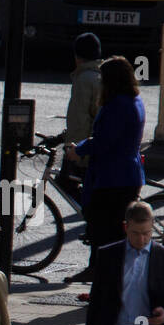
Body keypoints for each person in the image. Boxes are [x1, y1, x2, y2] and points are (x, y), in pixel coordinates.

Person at [64, 55, 144, 283]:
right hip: (126, 173)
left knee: (104, 231)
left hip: (113, 177)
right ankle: (100, 276)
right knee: (111, 231)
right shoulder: (134, 100)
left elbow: (103, 141)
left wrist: (77, 150)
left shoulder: (117, 105)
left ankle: (104, 279)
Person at [58, 32, 103, 200]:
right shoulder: (101, 75)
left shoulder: (83, 79)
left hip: (87, 148)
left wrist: (75, 151)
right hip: (99, 146)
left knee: (65, 182)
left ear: (77, 56)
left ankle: (90, 215)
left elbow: (80, 120)